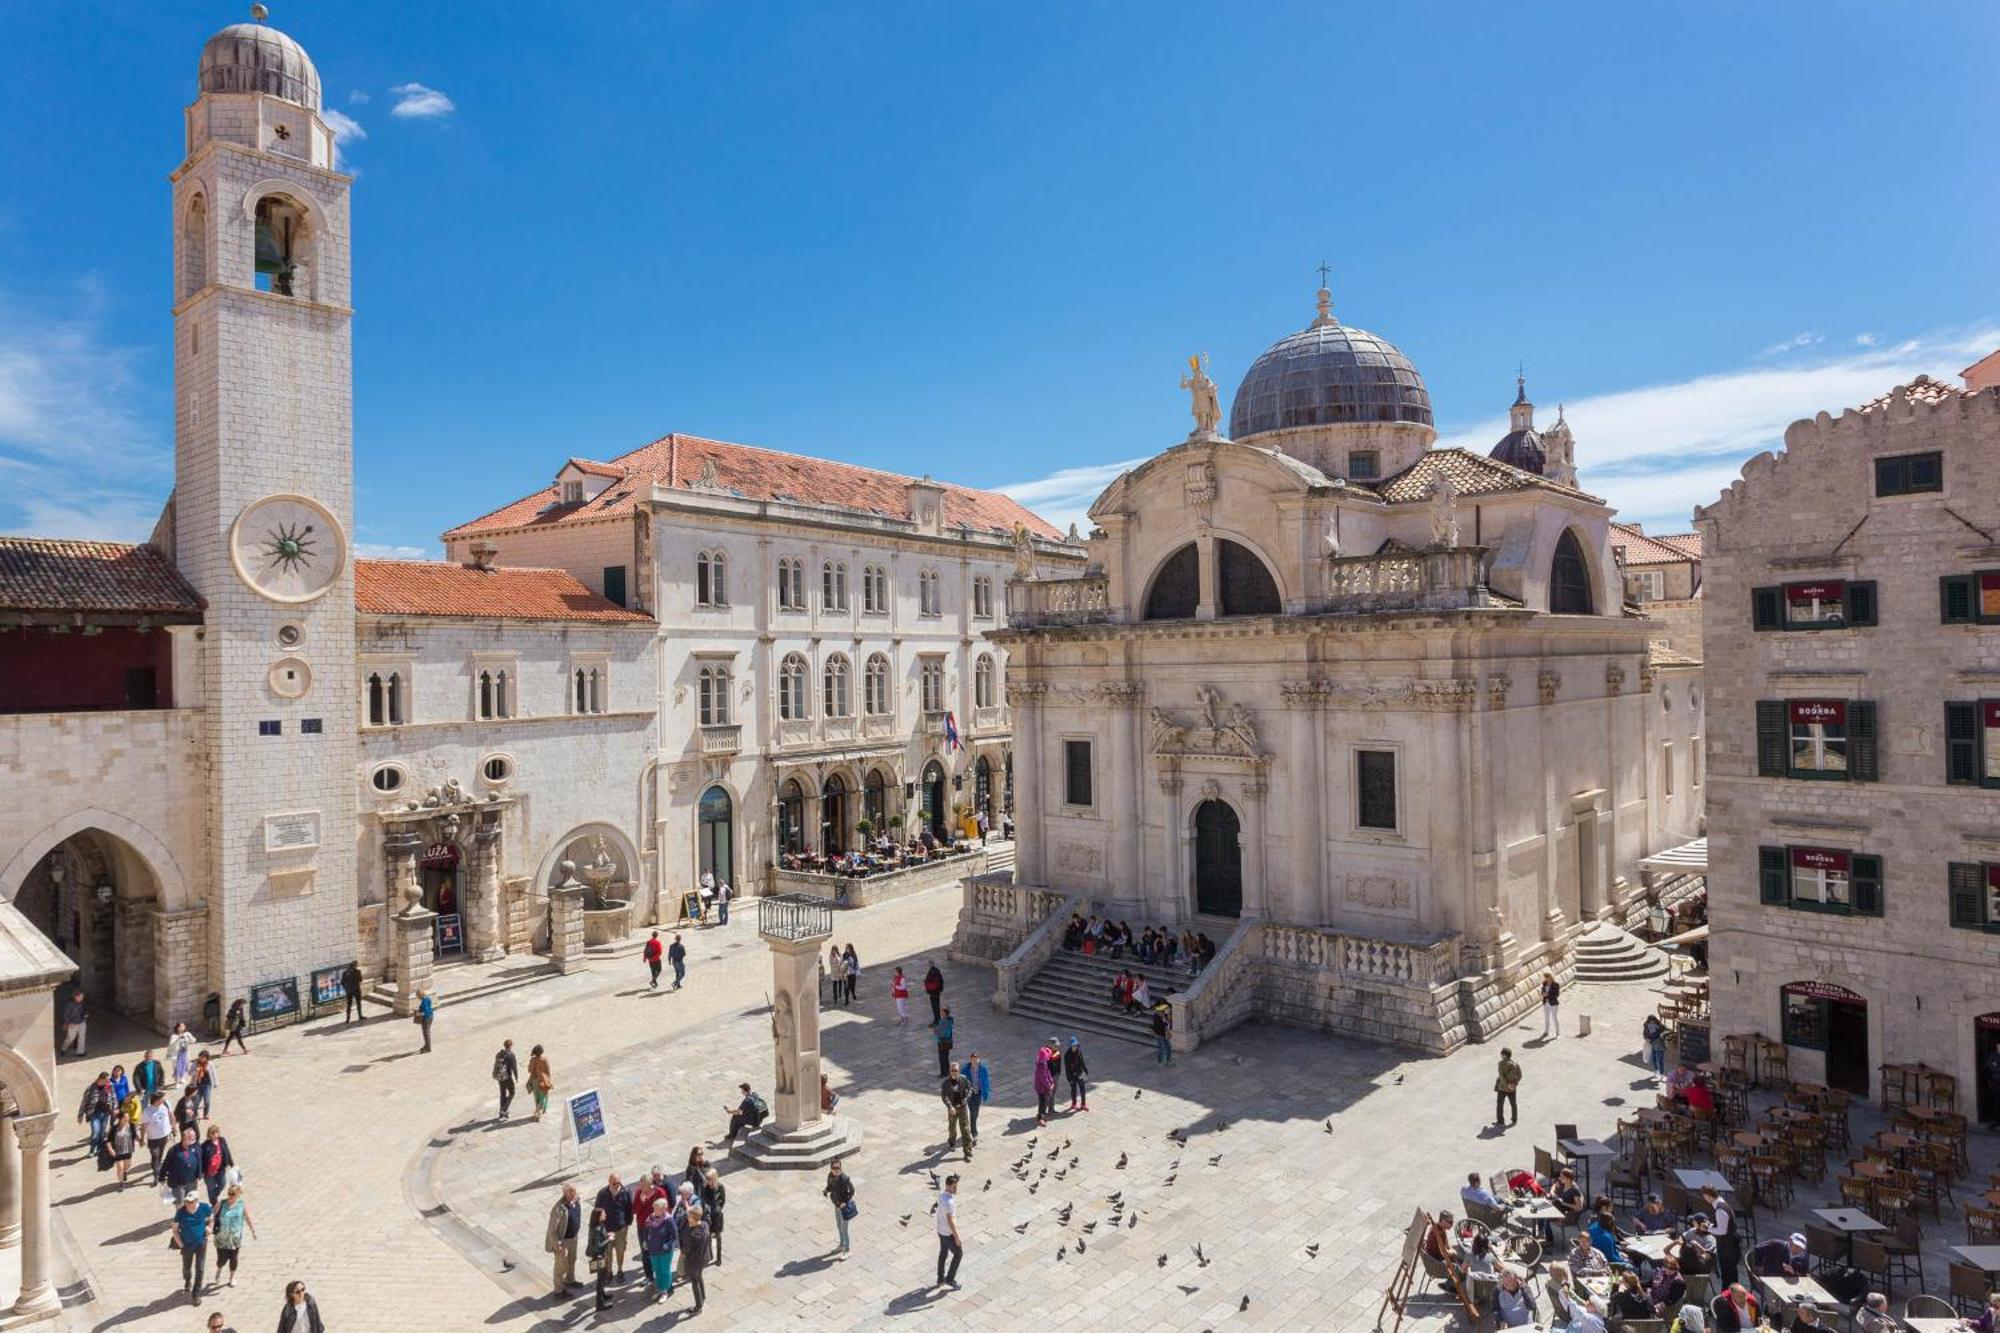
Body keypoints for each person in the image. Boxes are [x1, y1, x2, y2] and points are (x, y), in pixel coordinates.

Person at [210, 1182, 254, 1289]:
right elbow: (212, 1215)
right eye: (229, 1193)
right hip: (221, 1237)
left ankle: (232, 1277)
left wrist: (253, 1230)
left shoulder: (241, 1204)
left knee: (234, 1258)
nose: (230, 1196)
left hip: (235, 1237)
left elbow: (247, 1218)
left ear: (238, 1194)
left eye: (233, 1194)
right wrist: (209, 1227)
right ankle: (219, 1270)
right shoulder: (221, 1203)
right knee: (222, 1259)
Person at [173, 1192, 213, 1304]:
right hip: (187, 1245)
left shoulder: (204, 1207)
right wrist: (180, 1244)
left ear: (196, 1201)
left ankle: (196, 1295)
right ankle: (187, 1280)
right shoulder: (181, 1212)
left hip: (201, 1243)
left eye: (190, 1202)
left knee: (200, 1269)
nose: (187, 1203)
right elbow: (175, 1229)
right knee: (187, 1267)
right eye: (186, 1201)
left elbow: (211, 1218)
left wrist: (210, 1227)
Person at [546, 1182, 583, 1294]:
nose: (574, 1194)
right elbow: (552, 1230)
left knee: (572, 1260)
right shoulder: (559, 1208)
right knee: (561, 1266)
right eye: (571, 1192)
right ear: (565, 1193)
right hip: (563, 1241)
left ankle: (570, 1280)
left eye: (575, 1191)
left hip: (573, 1238)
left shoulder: (576, 1201)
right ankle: (559, 1289)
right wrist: (558, 1243)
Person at [594, 1172, 632, 1281]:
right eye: (614, 1183)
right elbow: (597, 1210)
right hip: (607, 1229)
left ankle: (620, 1270)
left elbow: (629, 1209)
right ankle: (609, 1272)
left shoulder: (626, 1192)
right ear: (609, 1182)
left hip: (621, 1229)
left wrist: (627, 1224)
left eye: (618, 1183)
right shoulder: (602, 1194)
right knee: (608, 1252)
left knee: (620, 1251)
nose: (616, 1185)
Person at [1700, 1185, 1740, 1285]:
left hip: (1728, 1247)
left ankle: (1726, 1295)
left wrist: (1708, 1228)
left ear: (1708, 1196)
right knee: (1731, 1273)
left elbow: (1722, 1231)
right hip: (1729, 1245)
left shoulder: (1720, 1210)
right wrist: (1711, 1225)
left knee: (1727, 1274)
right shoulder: (1722, 1204)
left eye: (1704, 1196)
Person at [639, 1196, 678, 1299]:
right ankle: (660, 1289)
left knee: (665, 1271)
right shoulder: (651, 1217)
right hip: (653, 1250)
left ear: (663, 1209)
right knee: (657, 1270)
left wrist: (667, 1245)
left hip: (665, 1252)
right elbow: (647, 1230)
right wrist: (646, 1241)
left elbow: (674, 1236)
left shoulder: (669, 1220)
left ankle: (665, 1291)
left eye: (656, 1209)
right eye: (654, 1208)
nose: (654, 1211)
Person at [680, 1203, 710, 1313]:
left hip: (693, 1261)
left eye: (688, 1216)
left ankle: (698, 1306)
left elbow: (686, 1249)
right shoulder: (705, 1225)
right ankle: (703, 1297)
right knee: (699, 1277)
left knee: (695, 1282)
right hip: (703, 1258)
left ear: (692, 1218)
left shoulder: (690, 1234)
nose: (687, 1218)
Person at [163, 1126, 205, 1204]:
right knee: (180, 1204)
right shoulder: (174, 1150)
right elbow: (166, 1164)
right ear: (184, 1138)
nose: (194, 1139)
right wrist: (161, 1177)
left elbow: (200, 1160)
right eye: (191, 1138)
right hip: (178, 1184)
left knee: (192, 1202)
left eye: (194, 1137)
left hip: (192, 1181)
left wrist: (200, 1173)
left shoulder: (196, 1147)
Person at [935, 1173, 962, 1289]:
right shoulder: (949, 1203)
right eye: (954, 1187)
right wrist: (957, 1237)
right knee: (958, 1253)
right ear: (949, 1186)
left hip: (940, 1230)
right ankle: (950, 1279)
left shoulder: (941, 1195)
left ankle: (940, 1278)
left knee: (943, 1253)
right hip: (948, 1232)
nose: (956, 1189)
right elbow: (950, 1221)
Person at [76, 1071, 113, 1157]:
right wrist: (80, 1115)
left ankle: (99, 1149)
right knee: (95, 1132)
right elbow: (84, 1102)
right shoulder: (91, 1088)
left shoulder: (109, 1086)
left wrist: (113, 1108)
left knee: (102, 1133)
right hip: (94, 1113)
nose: (107, 1081)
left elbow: (113, 1097)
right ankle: (92, 1149)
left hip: (105, 1113)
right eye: (106, 1080)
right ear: (101, 1079)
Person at [824, 1157, 855, 1255]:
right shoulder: (830, 1176)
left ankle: (847, 1250)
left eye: (838, 1168)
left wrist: (845, 1202)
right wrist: (826, 1190)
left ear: (841, 1168)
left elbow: (852, 1190)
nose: (836, 1170)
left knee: (844, 1229)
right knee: (839, 1226)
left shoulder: (844, 1178)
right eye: (834, 1168)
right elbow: (830, 1186)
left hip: (843, 1207)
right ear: (831, 1168)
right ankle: (842, 1245)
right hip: (836, 1205)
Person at [585, 1204, 613, 1310]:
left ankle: (603, 1295)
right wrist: (609, 1239)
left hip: (601, 1256)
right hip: (600, 1257)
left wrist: (607, 1235)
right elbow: (598, 1245)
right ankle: (599, 1303)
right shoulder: (597, 1229)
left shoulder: (598, 1226)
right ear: (599, 1216)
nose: (605, 1214)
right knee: (600, 1280)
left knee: (602, 1278)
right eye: (603, 1213)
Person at [941, 1068, 973, 1160]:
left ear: (959, 1072)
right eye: (952, 1071)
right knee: (952, 1128)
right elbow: (944, 1096)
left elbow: (970, 1088)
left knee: (965, 1129)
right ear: (950, 1072)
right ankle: (952, 1143)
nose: (954, 1072)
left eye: (956, 1071)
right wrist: (950, 1106)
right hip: (953, 1109)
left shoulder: (963, 1079)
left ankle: (967, 1151)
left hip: (962, 1108)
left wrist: (966, 1098)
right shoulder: (946, 1083)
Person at [200, 1123, 235, 1206]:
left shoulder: (222, 1140)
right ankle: (214, 1203)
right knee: (210, 1188)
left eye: (216, 1132)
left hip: (220, 1169)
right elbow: (202, 1160)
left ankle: (213, 1197)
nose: (215, 1135)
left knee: (222, 1184)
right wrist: (201, 1172)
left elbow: (227, 1151)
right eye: (213, 1133)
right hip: (209, 1172)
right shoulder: (205, 1146)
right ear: (209, 1134)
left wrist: (231, 1163)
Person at [143, 1091, 174, 1182]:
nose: (164, 1100)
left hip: (164, 1136)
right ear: (157, 1100)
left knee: (160, 1155)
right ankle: (156, 1174)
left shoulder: (164, 1106)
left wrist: (173, 1128)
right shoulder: (147, 1111)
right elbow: (144, 1125)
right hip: (153, 1138)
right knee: (155, 1155)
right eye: (162, 1099)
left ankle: (156, 1169)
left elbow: (170, 1116)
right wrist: (142, 1138)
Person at [960, 1052, 990, 1144]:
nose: (975, 1061)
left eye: (976, 1059)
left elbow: (986, 1081)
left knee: (975, 1113)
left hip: (978, 1093)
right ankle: (974, 1133)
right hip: (969, 1094)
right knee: (973, 1112)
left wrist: (986, 1091)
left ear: (979, 1059)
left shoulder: (983, 1069)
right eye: (973, 1059)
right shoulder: (965, 1069)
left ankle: (971, 1128)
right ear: (970, 1060)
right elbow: (961, 1081)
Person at [108, 1097, 137, 1185]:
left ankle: (125, 1172)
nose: (127, 1119)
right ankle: (121, 1182)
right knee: (120, 1167)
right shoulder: (114, 1128)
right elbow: (108, 1140)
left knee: (127, 1166)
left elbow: (135, 1135)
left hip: (128, 1149)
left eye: (127, 1118)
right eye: (125, 1118)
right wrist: (111, 1149)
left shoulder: (131, 1126)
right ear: (120, 1119)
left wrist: (141, 1140)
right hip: (118, 1150)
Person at [701, 1166, 725, 1266]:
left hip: (717, 1216)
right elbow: (703, 1199)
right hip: (708, 1216)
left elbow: (723, 1200)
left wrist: (718, 1208)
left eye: (709, 1179)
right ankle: (709, 1255)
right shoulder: (705, 1188)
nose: (707, 1181)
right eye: (707, 1179)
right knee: (708, 1236)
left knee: (718, 1236)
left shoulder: (720, 1187)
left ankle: (719, 1257)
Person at [1494, 1047, 1522, 1126]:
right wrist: (1514, 1084)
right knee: (1513, 1104)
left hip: (1502, 1088)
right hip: (1512, 1089)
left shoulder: (1501, 1063)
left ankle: (1500, 1121)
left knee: (1500, 1104)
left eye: (1502, 1054)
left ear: (1505, 1055)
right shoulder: (1516, 1064)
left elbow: (1501, 1076)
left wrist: (1507, 1084)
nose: (1501, 1055)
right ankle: (1514, 1119)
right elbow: (1520, 1075)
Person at [492, 1038, 519, 1121]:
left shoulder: (499, 1054)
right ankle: (504, 1109)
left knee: (502, 1093)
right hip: (507, 1077)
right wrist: (516, 1077)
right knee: (512, 1092)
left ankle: (501, 1113)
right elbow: (514, 1067)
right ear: (510, 1046)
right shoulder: (511, 1055)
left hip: (500, 1077)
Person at [1032, 1041, 1056, 1125]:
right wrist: (1049, 1085)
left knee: (1044, 1101)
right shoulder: (1040, 1066)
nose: (1048, 1058)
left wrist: (1051, 1081)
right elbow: (1043, 1078)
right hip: (1040, 1087)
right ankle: (1040, 1117)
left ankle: (1041, 1115)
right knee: (1043, 1102)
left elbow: (1048, 1073)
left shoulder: (1044, 1063)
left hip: (1043, 1086)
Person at [527, 1044, 554, 1120]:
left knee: (537, 1097)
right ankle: (538, 1111)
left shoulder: (532, 1060)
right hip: (543, 1081)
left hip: (535, 1081)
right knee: (543, 1096)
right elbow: (548, 1071)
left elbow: (529, 1071)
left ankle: (538, 1113)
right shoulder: (544, 1060)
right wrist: (548, 1081)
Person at [1063, 1036, 1089, 1112]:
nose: (1074, 1047)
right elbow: (1067, 1068)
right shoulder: (1067, 1055)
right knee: (1073, 1089)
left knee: (1082, 1089)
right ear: (1070, 1046)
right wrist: (1069, 1078)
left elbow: (1082, 1062)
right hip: (1072, 1075)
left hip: (1080, 1073)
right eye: (1073, 1046)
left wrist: (1085, 1072)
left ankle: (1083, 1104)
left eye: (1075, 1045)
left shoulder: (1079, 1051)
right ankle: (1074, 1103)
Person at [60, 987, 87, 1057]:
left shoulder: (82, 1003)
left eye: (82, 997)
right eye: (81, 997)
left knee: (82, 1037)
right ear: (76, 997)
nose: (82, 998)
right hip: (73, 1024)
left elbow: (84, 1010)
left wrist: (85, 1015)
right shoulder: (70, 1005)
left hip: (82, 1022)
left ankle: (80, 1052)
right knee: (70, 1038)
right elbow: (66, 1015)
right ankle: (64, 1048)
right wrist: (67, 1023)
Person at [1642, 1012, 1668, 1077]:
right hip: (1652, 1044)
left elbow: (1667, 1030)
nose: (1652, 1023)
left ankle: (1661, 1074)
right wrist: (1647, 1038)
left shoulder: (1659, 1025)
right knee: (1654, 1059)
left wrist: (1662, 1034)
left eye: (1653, 1021)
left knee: (1660, 1060)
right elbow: (1644, 1034)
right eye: (1650, 1021)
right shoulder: (1646, 1026)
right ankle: (1656, 1070)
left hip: (1660, 1045)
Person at [934, 1006, 955, 1080]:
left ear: (945, 1013)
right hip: (948, 1041)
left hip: (942, 1041)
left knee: (942, 1057)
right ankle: (947, 1072)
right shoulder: (950, 1020)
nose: (940, 1012)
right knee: (946, 1057)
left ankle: (943, 1073)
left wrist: (935, 1029)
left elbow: (941, 1033)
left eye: (942, 1011)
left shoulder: (944, 1021)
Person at [1540, 971, 1561, 1038]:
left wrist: (1548, 994)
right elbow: (1542, 991)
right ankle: (1546, 1031)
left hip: (1553, 1003)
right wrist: (1543, 994)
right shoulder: (1544, 983)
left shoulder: (1556, 984)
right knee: (1546, 1018)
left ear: (1550, 977)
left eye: (1547, 976)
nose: (1546, 978)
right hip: (1546, 1003)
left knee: (1554, 1018)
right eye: (1545, 977)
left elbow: (1557, 995)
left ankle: (1557, 1033)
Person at [923, 961, 945, 1026]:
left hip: (933, 992)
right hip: (937, 991)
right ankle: (937, 1020)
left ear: (930, 965)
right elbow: (941, 980)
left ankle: (937, 1021)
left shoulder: (931, 972)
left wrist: (927, 989)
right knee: (937, 1006)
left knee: (934, 1007)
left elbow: (928, 981)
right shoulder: (937, 970)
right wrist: (941, 989)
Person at [416, 989, 434, 1053]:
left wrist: (418, 1013)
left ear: (420, 995)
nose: (417, 997)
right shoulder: (428, 998)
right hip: (431, 1016)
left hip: (426, 1018)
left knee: (426, 1033)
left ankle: (428, 1047)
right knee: (427, 1032)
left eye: (417, 996)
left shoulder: (424, 1001)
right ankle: (426, 1045)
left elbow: (425, 1012)